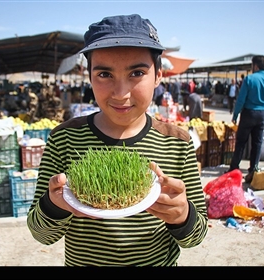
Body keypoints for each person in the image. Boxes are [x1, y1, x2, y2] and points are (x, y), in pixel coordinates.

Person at [27, 14, 208, 266]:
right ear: (88, 76)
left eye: (136, 72)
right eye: (104, 74)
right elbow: (41, 234)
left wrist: (183, 215)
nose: (121, 93)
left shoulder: (177, 142)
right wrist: (54, 205)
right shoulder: (64, 138)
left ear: (158, 75)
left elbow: (196, 237)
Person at [227, 55, 264, 183]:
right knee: (257, 144)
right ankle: (253, 170)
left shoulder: (249, 79)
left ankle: (234, 169)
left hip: (248, 114)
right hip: (261, 115)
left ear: (255, 66)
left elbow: (241, 100)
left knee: (241, 143)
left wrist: (235, 115)